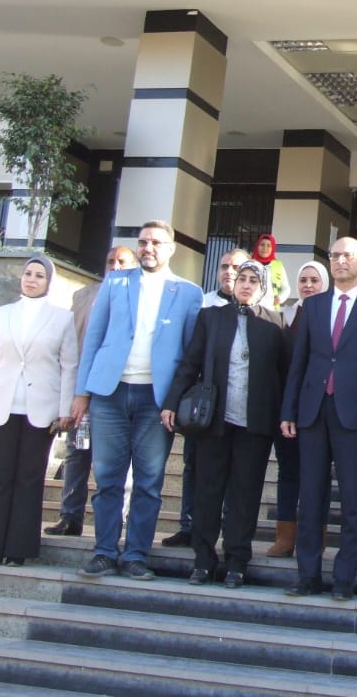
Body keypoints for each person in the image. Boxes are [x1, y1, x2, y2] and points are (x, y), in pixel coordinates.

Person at [71, 220, 203, 581]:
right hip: (109, 393)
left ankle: (136, 555)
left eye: (156, 243)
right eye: (143, 242)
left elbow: (191, 356)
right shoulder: (115, 283)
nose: (148, 248)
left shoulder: (188, 293)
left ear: (171, 248)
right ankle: (103, 551)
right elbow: (94, 338)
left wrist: (176, 401)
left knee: (149, 482)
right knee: (108, 478)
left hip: (155, 399)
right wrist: (81, 393)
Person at [280, 236, 357, 601]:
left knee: (352, 499)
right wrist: (289, 411)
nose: (341, 260)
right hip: (313, 411)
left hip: (356, 414)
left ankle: (344, 578)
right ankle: (307, 574)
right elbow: (298, 363)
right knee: (311, 496)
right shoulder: (313, 306)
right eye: (335, 255)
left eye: (349, 255)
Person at [160, 259, 289, 588]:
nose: (245, 284)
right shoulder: (211, 317)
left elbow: (285, 374)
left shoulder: (275, 324)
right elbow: (191, 363)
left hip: (255, 424)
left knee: (245, 495)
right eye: (241, 279)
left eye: (253, 280)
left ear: (262, 287)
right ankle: (203, 560)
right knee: (208, 491)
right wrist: (172, 401)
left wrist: (285, 416)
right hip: (213, 421)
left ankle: (237, 561)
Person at [0, 255, 78, 566]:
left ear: (49, 282)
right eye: (28, 274)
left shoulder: (61, 318)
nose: (32, 280)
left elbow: (69, 367)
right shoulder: (2, 315)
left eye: (39, 275)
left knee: (29, 479)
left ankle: (18, 549)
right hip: (1, 405)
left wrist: (64, 411)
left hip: (41, 409)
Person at [45, 245, 136, 537]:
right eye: (111, 261)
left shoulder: (139, 298)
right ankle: (70, 516)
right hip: (85, 393)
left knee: (121, 461)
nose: (116, 266)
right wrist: (72, 393)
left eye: (123, 261)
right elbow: (73, 346)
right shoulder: (83, 296)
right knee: (78, 452)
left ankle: (116, 520)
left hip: (120, 393)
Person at [162, 247, 250, 550]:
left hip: (243, 415)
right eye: (225, 266)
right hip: (205, 410)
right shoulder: (204, 307)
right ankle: (190, 526)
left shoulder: (263, 315)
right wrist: (173, 400)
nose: (230, 272)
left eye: (237, 267)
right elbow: (190, 359)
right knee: (194, 470)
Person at [268, 259, 329, 557]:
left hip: (321, 411)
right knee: (289, 473)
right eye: (303, 279)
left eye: (314, 280)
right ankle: (285, 537)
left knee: (316, 476)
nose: (308, 285)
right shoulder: (284, 317)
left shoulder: (333, 316)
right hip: (289, 411)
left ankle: (313, 537)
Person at [252, 232, 291, 310]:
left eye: (268, 246)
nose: (265, 248)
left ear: (272, 248)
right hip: (251, 307)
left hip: (271, 309)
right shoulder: (250, 264)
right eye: (262, 245)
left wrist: (279, 299)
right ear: (257, 246)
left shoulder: (277, 265)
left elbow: (286, 288)